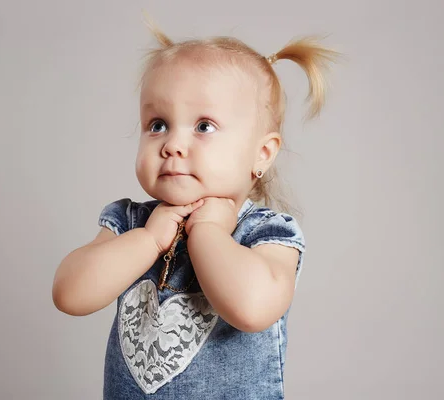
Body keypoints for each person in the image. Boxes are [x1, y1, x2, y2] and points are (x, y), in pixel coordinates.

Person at [52, 15, 340, 399]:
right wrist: (148, 240)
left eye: (203, 126)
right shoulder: (130, 222)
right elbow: (70, 293)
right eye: (157, 124)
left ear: (262, 153)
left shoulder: (267, 233)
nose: (171, 144)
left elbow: (252, 309)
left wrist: (208, 233)